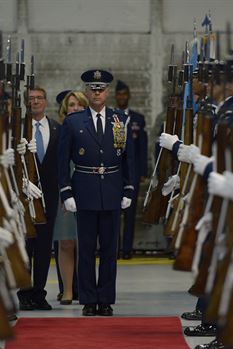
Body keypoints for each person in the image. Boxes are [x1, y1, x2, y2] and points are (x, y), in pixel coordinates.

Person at [58, 69, 135, 316]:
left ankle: (106, 299)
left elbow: (126, 159)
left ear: (108, 92)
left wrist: (128, 188)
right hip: (85, 190)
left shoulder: (119, 120)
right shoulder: (73, 122)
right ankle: (89, 300)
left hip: (112, 190)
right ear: (86, 91)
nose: (97, 92)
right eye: (92, 88)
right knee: (87, 249)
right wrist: (66, 192)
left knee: (110, 250)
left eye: (101, 89)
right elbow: (62, 162)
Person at [17, 86, 61, 311]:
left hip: (50, 195)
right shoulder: (19, 128)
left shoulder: (56, 128)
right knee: (25, 244)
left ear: (45, 101)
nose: (35, 102)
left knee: (44, 246)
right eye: (30, 99)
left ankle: (39, 293)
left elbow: (61, 163)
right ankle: (24, 293)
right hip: (25, 194)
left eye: (38, 98)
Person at [53, 90, 88, 304]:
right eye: (71, 105)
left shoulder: (94, 130)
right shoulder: (59, 131)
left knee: (85, 242)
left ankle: (84, 289)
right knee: (66, 242)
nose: (75, 108)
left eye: (79, 105)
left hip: (88, 188)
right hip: (65, 191)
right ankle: (67, 290)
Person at [114, 80, 148, 259]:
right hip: (115, 173)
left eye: (124, 94)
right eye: (118, 94)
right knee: (113, 214)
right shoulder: (112, 117)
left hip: (132, 173)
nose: (121, 97)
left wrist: (143, 172)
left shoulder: (137, 119)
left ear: (128, 96)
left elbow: (142, 146)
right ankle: (114, 248)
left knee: (130, 213)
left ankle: (126, 249)